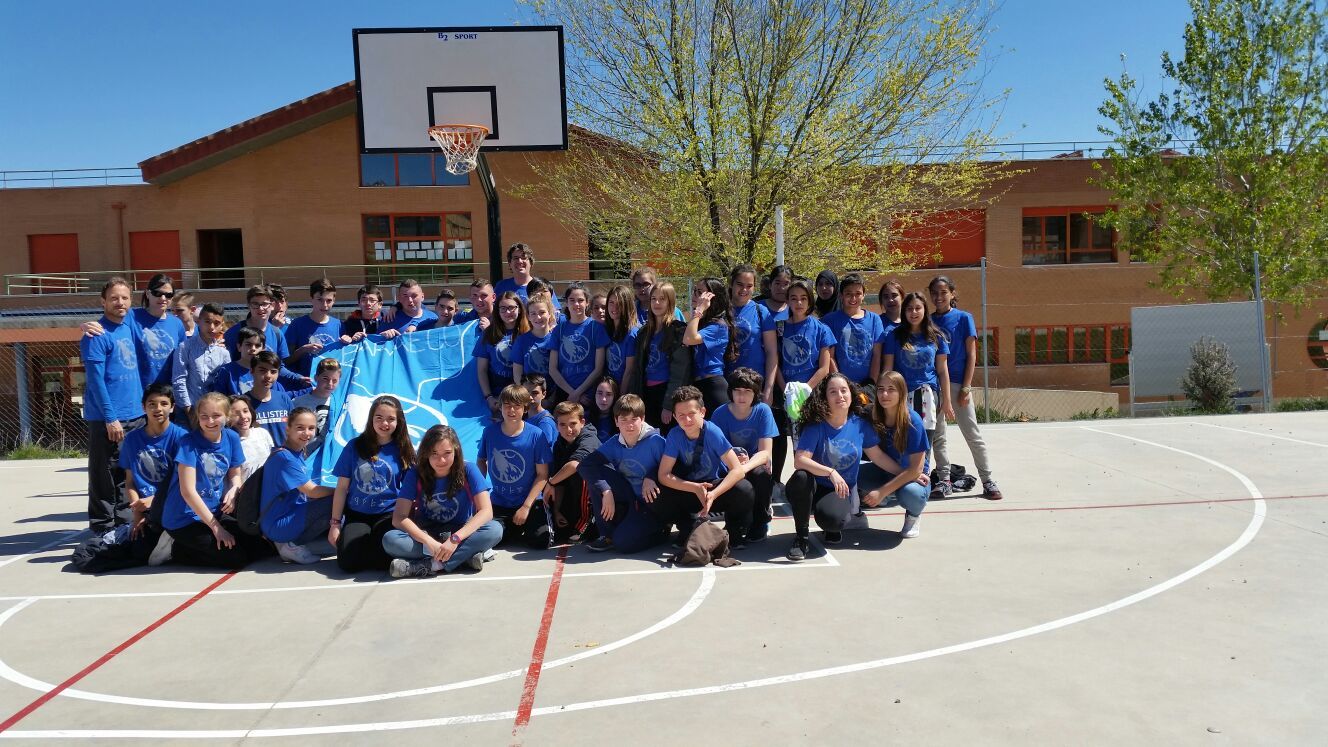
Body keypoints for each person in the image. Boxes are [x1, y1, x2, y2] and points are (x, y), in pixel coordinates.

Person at [784, 373, 911, 561]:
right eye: (833, 392)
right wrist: (830, 472)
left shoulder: (859, 425)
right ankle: (801, 539)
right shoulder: (816, 425)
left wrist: (907, 474)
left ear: (851, 394)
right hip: (813, 485)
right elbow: (800, 460)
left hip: (839, 490)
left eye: (844, 391)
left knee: (834, 521)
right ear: (825, 397)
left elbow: (878, 457)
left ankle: (830, 527)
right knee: (801, 477)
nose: (840, 396)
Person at [160, 392, 271, 569]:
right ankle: (176, 549)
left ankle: (195, 544)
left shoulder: (231, 437)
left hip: (213, 511)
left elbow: (235, 474)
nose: (210, 421)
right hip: (184, 519)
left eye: (216, 415)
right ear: (198, 417)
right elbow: (188, 492)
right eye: (204, 416)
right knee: (236, 559)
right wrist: (217, 529)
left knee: (263, 548)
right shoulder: (188, 443)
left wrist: (234, 489)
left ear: (227, 416)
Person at [384, 424, 503, 578]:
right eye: (434, 453)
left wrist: (454, 540)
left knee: (495, 530)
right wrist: (428, 541)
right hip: (427, 534)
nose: (441, 460)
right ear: (426, 452)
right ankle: (464, 559)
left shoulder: (469, 469)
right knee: (390, 540)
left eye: (447, 453)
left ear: (456, 451)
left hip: (460, 533)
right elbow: (399, 517)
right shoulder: (415, 473)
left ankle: (430, 565)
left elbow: (486, 511)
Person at [929, 275, 1003, 500]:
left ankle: (987, 480)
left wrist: (966, 387)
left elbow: (971, 355)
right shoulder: (928, 321)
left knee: (972, 434)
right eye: (935, 293)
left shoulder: (963, 318)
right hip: (935, 385)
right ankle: (944, 480)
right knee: (938, 435)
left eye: (943, 292)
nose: (939, 296)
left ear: (952, 293)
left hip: (958, 383)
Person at [652, 386, 755, 548]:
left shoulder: (712, 432)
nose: (687, 420)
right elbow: (664, 475)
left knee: (744, 489)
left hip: (714, 486)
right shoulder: (674, 435)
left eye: (691, 414)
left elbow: (737, 470)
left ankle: (733, 529)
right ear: (675, 416)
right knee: (655, 492)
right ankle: (687, 527)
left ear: (702, 412)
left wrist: (713, 494)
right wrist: (694, 488)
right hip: (690, 487)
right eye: (681, 415)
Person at [80, 277, 145, 534]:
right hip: (108, 418)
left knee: (127, 474)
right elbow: (95, 381)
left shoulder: (128, 325)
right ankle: (103, 531)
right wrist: (110, 417)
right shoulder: (95, 335)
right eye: (114, 298)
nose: (120, 302)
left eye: (125, 298)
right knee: (104, 476)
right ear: (103, 301)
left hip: (135, 416)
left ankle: (124, 527)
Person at [328, 395, 414, 572]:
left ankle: (374, 549)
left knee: (385, 561)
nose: (384, 423)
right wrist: (335, 524)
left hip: (389, 515)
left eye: (391, 419)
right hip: (358, 515)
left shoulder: (403, 449)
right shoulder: (354, 446)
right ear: (371, 419)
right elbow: (342, 488)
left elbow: (410, 492)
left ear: (399, 421)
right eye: (379, 418)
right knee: (347, 564)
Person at [762, 277, 834, 482]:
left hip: (812, 395)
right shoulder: (779, 328)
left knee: (813, 441)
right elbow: (775, 361)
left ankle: (820, 482)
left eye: (803, 298)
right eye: (793, 298)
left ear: (810, 300)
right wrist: (787, 390)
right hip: (788, 396)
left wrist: (805, 390)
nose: (799, 302)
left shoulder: (821, 328)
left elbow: (824, 368)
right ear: (787, 301)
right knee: (795, 442)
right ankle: (799, 485)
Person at [882, 291, 951, 500]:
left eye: (918, 308)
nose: (914, 312)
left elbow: (942, 371)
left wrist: (947, 400)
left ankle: (921, 485)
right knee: (899, 440)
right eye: (910, 308)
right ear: (904, 311)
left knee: (924, 441)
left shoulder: (936, 336)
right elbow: (888, 368)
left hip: (927, 395)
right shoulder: (894, 336)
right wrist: (884, 393)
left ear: (925, 310)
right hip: (901, 396)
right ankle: (900, 482)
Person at [577, 394, 666, 553]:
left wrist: (651, 476)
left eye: (634, 419)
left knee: (624, 544)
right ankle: (606, 535)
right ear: (616, 421)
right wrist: (606, 490)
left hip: (652, 502)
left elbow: (673, 467)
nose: (629, 425)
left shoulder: (655, 441)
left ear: (642, 419)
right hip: (631, 497)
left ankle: (661, 530)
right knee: (596, 475)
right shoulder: (614, 442)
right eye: (623, 420)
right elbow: (585, 465)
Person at [477, 385, 554, 547]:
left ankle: (519, 526)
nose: (511, 410)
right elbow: (481, 461)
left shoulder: (536, 435)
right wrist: (479, 493)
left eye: (517, 406)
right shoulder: (489, 432)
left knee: (542, 541)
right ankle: (512, 528)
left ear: (525, 408)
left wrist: (526, 506)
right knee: (491, 540)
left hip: (529, 501)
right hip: (499, 501)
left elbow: (542, 475)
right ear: (500, 407)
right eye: (507, 405)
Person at [119, 385, 189, 565]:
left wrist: (154, 501)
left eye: (164, 404)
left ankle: (170, 538)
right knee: (138, 553)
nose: (158, 409)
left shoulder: (182, 438)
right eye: (152, 404)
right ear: (143, 407)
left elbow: (185, 483)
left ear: (172, 407)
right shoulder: (132, 439)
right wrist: (137, 512)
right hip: (144, 507)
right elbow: (130, 482)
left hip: (172, 504)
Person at [79, 272, 186, 390]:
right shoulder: (131, 316)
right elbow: (107, 323)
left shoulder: (177, 324)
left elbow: (184, 357)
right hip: (139, 392)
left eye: (168, 295)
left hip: (167, 393)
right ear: (148, 294)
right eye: (157, 293)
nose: (163, 298)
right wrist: (86, 326)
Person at [709, 368, 778, 541]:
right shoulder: (720, 414)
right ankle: (735, 519)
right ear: (730, 392)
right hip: (728, 465)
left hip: (753, 464)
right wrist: (734, 463)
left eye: (747, 391)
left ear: (755, 393)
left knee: (762, 473)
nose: (741, 396)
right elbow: (715, 451)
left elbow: (765, 452)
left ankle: (761, 520)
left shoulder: (763, 411)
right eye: (737, 390)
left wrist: (743, 467)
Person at [260, 408, 336, 564]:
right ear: (288, 428)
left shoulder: (296, 452)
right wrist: (342, 490)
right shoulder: (285, 458)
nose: (306, 433)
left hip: (286, 516)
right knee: (336, 501)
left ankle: (292, 542)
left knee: (335, 504)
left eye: (311, 428)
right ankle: (291, 545)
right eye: (300, 428)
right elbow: (312, 491)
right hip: (278, 523)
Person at [863, 371, 932, 538]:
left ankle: (913, 515)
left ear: (902, 392)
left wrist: (882, 492)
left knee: (911, 493)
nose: (884, 394)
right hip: (888, 470)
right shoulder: (872, 415)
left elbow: (916, 470)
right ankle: (855, 515)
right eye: (880, 389)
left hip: (915, 479)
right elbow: (876, 456)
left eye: (891, 389)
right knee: (846, 474)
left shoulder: (913, 421)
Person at [630, 281, 691, 428]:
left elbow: (680, 372)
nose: (657, 303)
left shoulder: (678, 331)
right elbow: (638, 369)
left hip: (666, 394)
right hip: (646, 393)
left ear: (670, 301)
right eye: (654, 299)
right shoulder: (644, 332)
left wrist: (669, 404)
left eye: (662, 299)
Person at [544, 401, 600, 543]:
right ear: (556, 426)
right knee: (556, 480)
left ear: (582, 422)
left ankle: (587, 522)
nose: (568, 429)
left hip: (600, 494)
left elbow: (575, 465)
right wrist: (557, 511)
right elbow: (559, 481)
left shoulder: (589, 438)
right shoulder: (560, 444)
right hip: (574, 494)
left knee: (582, 471)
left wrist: (551, 482)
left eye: (573, 424)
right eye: (562, 425)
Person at [549, 282, 609, 408]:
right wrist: (572, 393)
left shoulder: (595, 327)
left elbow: (598, 369)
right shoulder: (559, 330)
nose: (576, 304)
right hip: (565, 393)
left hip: (589, 394)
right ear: (566, 302)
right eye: (572, 300)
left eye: (580, 300)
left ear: (587, 303)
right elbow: (552, 369)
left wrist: (579, 392)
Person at [821, 272, 886, 389]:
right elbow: (830, 357)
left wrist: (871, 384)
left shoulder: (874, 320)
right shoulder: (830, 320)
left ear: (864, 295)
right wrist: (841, 384)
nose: (853, 298)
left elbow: (877, 355)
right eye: (848, 294)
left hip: (867, 385)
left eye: (858, 293)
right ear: (841, 295)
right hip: (841, 386)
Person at [682, 277, 737, 411]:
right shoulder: (700, 323)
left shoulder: (719, 326)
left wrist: (699, 310)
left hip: (713, 385)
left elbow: (689, 338)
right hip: (698, 385)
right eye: (694, 290)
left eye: (700, 292)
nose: (695, 295)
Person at [207, 326, 307, 397]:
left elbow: (281, 397)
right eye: (248, 344)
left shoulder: (268, 372)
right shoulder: (227, 371)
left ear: (263, 349)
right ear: (239, 346)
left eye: (257, 345)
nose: (253, 349)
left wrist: (311, 390)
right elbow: (219, 400)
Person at [173, 302, 231, 422]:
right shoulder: (185, 347)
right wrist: (188, 410)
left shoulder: (224, 353)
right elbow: (179, 379)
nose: (212, 327)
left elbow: (226, 383)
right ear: (199, 321)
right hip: (188, 409)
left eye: (216, 323)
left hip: (214, 413)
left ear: (222, 325)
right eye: (207, 322)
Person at [477, 291, 530, 416]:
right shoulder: (489, 334)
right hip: (497, 396)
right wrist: (489, 397)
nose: (507, 312)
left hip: (524, 394)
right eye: (503, 308)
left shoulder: (529, 333)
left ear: (519, 309)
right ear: (497, 311)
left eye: (511, 308)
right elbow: (481, 370)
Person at [245, 351, 311, 445]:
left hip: (284, 453)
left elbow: (294, 429)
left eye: (273, 372)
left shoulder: (283, 398)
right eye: (262, 370)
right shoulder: (244, 403)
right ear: (251, 371)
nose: (268, 376)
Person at [285, 278, 342, 377]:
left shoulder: (339, 325)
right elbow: (285, 361)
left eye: (329, 301)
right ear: (311, 299)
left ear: (334, 301)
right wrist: (303, 350)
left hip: (330, 383)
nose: (324, 305)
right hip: (304, 382)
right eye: (320, 300)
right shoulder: (297, 324)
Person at [224, 284, 290, 361]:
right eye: (255, 304)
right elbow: (227, 362)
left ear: (272, 305)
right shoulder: (234, 333)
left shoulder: (277, 334)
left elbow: (282, 365)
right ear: (248, 305)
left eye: (264, 304)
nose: (260, 308)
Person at [726, 264, 770, 378]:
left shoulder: (761, 311)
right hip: (725, 379)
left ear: (754, 287)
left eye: (749, 286)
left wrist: (769, 386)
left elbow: (771, 353)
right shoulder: (721, 310)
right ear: (731, 283)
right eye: (739, 284)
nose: (744, 289)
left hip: (754, 380)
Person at [493, 242, 562, 313]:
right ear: (510, 263)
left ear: (531, 263)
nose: (520, 261)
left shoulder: (542, 286)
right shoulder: (501, 286)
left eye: (524, 258)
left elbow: (555, 312)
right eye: (516, 258)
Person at [292, 358, 341, 454]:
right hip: (302, 456)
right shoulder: (297, 403)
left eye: (334, 380)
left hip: (326, 457)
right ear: (316, 377)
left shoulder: (339, 404)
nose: (330, 384)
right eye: (325, 379)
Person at [227, 395, 273, 484]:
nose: (243, 416)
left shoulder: (262, 433)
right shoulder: (228, 444)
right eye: (236, 414)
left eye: (245, 411)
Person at [511, 295, 556, 384]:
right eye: (533, 313)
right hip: (528, 391)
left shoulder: (556, 338)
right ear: (528, 316)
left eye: (542, 312)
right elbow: (517, 374)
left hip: (554, 391)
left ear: (549, 313)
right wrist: (525, 392)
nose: (538, 317)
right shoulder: (521, 341)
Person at [603, 284, 638, 387]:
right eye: (611, 302)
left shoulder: (632, 334)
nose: (615, 307)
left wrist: (621, 394)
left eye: (620, 304)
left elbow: (629, 371)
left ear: (627, 306)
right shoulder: (605, 329)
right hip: (607, 388)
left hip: (623, 388)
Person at [524, 374, 559, 447]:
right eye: (526, 392)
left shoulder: (545, 422)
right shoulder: (524, 416)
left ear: (544, 394)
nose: (530, 397)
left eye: (535, 393)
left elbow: (542, 450)